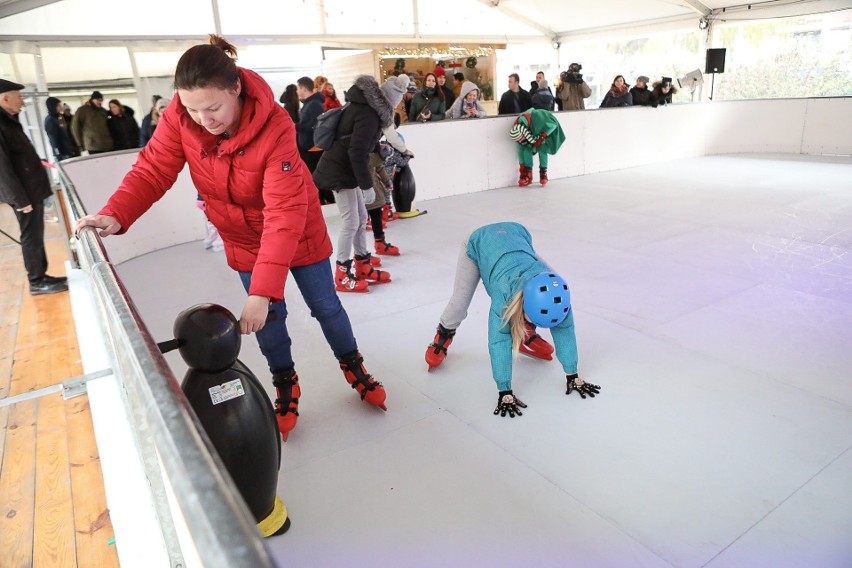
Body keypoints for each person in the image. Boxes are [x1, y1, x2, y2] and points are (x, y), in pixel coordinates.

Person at [74, 35, 387, 442]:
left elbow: (283, 215)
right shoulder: (181, 117)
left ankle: (353, 365)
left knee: (325, 306)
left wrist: (262, 289)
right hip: (242, 239)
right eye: (191, 108)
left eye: (213, 107)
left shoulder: (275, 126)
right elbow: (153, 169)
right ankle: (285, 382)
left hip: (297, 231)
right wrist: (116, 213)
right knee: (268, 318)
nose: (203, 118)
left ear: (236, 88)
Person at [424, 222, 600, 417]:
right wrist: (505, 392)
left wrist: (572, 375)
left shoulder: (557, 290)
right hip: (479, 242)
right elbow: (499, 341)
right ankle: (444, 332)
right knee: (459, 303)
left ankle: (523, 331)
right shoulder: (504, 293)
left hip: (516, 236)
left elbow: (565, 330)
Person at [313, 74, 410, 293]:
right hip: (340, 170)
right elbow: (356, 151)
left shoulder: (366, 107)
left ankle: (362, 262)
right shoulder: (369, 114)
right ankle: (342, 273)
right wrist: (366, 186)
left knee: (361, 218)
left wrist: (378, 149)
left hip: (348, 169)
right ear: (391, 100)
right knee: (351, 221)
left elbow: (359, 141)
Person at [0, 79, 68, 295]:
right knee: (31, 236)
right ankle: (37, 281)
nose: (22, 102)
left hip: (30, 190)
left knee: (36, 235)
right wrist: (20, 199)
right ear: (5, 98)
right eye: (18, 97)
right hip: (24, 194)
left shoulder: (9, 121)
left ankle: (42, 274)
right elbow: (2, 168)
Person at [510, 107, 565, 186]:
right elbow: (520, 151)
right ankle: (527, 174)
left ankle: (543, 173)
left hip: (542, 131)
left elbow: (553, 124)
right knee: (525, 148)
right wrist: (522, 168)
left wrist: (542, 137)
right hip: (531, 133)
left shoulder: (538, 116)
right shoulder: (517, 130)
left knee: (542, 148)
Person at [295, 76, 325, 174]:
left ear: (304, 89)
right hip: (308, 146)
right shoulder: (309, 103)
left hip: (312, 147)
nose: (297, 91)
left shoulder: (314, 104)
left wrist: (295, 126)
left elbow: (314, 126)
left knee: (314, 178)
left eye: (298, 88)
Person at [44, 96, 77, 160]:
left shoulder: (58, 118)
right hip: (63, 154)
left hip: (68, 151)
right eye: (58, 105)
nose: (61, 107)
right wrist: (58, 155)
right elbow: (53, 139)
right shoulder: (50, 120)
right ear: (53, 107)